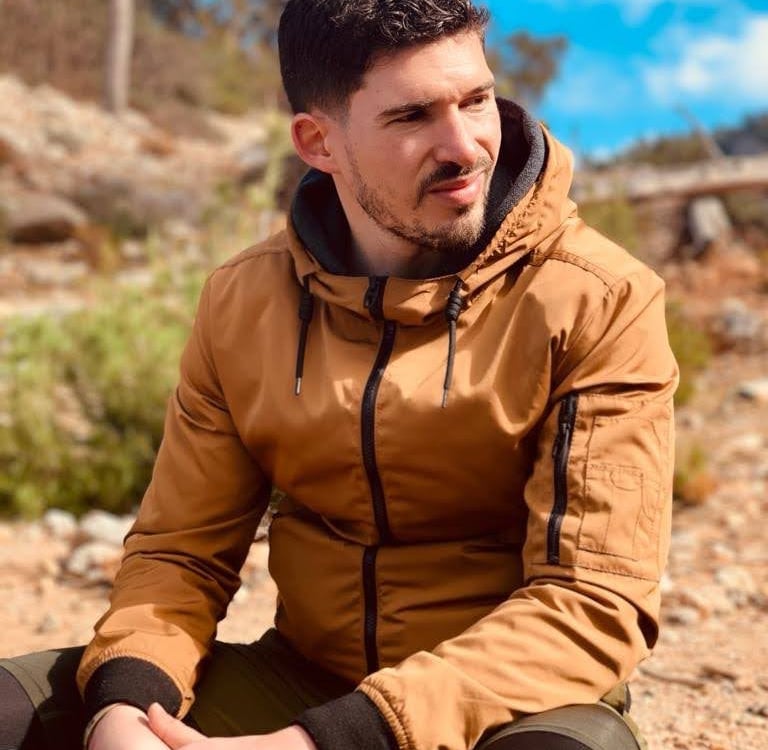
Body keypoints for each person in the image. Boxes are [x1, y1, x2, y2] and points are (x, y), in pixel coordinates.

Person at [0, 1, 678, 749]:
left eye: (477, 100)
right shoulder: (243, 300)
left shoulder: (599, 297)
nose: (464, 146)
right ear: (317, 142)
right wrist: (125, 710)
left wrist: (324, 742)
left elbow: (592, 601)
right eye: (412, 116)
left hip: (513, 708)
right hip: (301, 682)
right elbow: (179, 552)